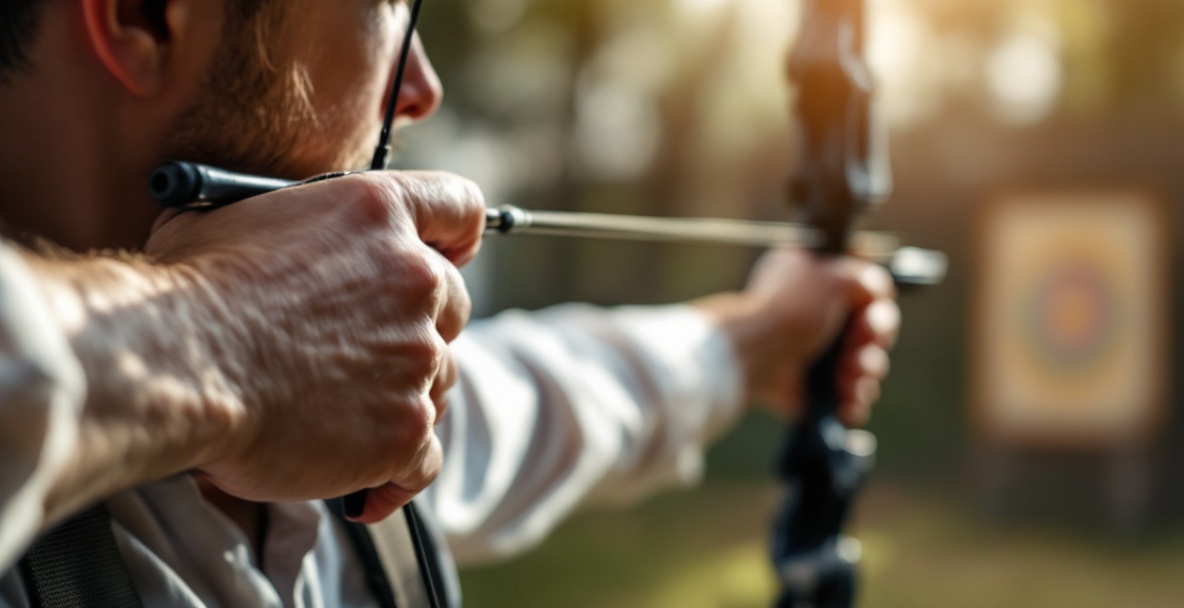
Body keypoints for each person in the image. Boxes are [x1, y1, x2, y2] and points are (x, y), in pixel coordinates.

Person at [0, 0, 899, 605]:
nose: (420, 88)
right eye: (387, 6)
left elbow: (556, 395)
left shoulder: (347, 418)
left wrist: (758, 338)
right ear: (145, 14)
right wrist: (222, 339)